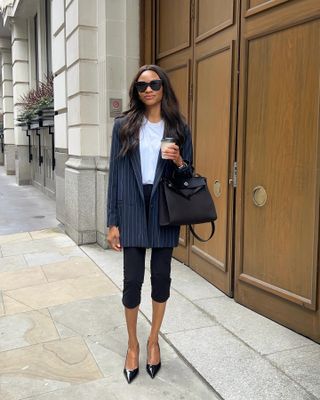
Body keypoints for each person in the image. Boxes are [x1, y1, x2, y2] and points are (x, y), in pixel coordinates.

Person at [106, 64, 193, 383]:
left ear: (163, 87)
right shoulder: (123, 126)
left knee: (160, 280)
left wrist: (179, 161)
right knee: (132, 283)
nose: (148, 90)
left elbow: (188, 177)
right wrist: (112, 221)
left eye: (154, 84)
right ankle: (133, 345)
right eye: (142, 86)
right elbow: (115, 175)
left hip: (164, 212)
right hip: (131, 209)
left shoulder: (178, 126)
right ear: (136, 92)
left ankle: (154, 340)